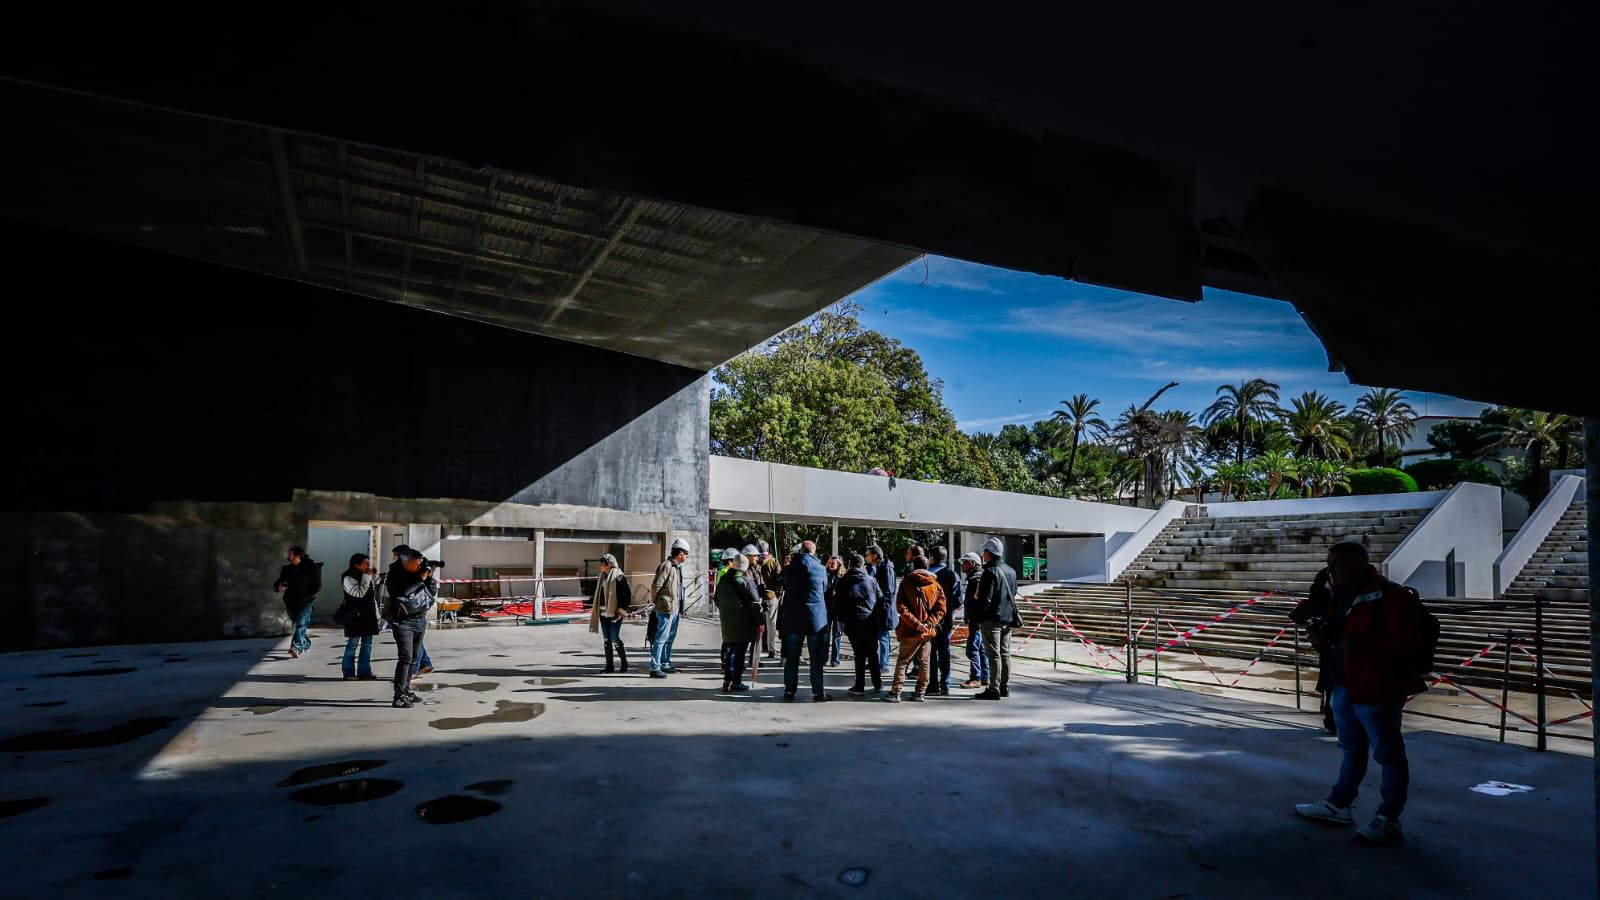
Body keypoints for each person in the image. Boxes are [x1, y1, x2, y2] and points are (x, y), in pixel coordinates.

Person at [1294, 541, 1427, 845]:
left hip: (1377, 688)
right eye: (1329, 565)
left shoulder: (1391, 597)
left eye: (1337, 565)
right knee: (1351, 750)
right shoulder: (1336, 596)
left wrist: (1356, 644)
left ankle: (1389, 819)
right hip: (1344, 684)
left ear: (1358, 565)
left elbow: (1407, 645)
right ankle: (1338, 804)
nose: (1331, 571)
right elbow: (1337, 636)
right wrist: (1320, 638)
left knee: (1389, 755)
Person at [887, 556, 947, 702]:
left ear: (914, 566)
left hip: (909, 630)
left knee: (903, 660)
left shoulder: (907, 582)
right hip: (926, 632)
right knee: (924, 662)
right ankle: (920, 692)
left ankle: (896, 692)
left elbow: (901, 607)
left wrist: (915, 623)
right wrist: (928, 624)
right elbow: (941, 609)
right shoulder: (935, 585)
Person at [1289, 568, 1339, 735]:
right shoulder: (1323, 590)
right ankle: (1333, 721)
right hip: (1332, 655)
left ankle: (1334, 720)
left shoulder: (1345, 595)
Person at [780, 540, 832, 702]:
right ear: (813, 552)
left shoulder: (788, 570)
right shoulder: (821, 569)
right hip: (814, 618)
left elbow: (785, 586)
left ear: (800, 551)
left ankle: (789, 690)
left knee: (792, 657)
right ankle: (818, 692)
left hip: (793, 618)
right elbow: (824, 589)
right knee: (815, 657)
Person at [385, 547, 437, 709]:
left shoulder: (418, 574)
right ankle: (399, 696)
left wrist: (430, 577)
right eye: (417, 563)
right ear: (405, 561)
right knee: (405, 658)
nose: (419, 565)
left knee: (414, 659)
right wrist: (420, 579)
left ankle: (406, 691)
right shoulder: (394, 575)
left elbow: (432, 591)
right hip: (403, 622)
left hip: (419, 620)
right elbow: (404, 592)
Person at [971, 538, 1017, 701]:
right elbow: (1014, 592)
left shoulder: (989, 572)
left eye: (984, 552)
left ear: (989, 553)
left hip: (991, 619)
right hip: (1006, 618)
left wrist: (977, 617)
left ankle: (993, 688)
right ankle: (1004, 686)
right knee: (1005, 653)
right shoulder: (1011, 571)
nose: (982, 555)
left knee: (993, 654)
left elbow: (985, 599)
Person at [714, 550, 763, 692]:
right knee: (739, 653)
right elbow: (755, 604)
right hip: (743, 623)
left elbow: (716, 599)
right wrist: (760, 622)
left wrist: (727, 611)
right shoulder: (745, 582)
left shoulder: (723, 581)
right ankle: (736, 681)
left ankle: (726, 680)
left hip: (727, 621)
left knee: (730, 651)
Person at [834, 554, 884, 696]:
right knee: (873, 653)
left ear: (850, 565)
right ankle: (878, 683)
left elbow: (837, 604)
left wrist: (842, 620)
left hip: (852, 622)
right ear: (863, 565)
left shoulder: (843, 581)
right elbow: (880, 600)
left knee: (859, 654)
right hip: (870, 621)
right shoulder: (872, 580)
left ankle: (859, 685)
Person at [648, 538, 690, 678]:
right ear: (680, 554)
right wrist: (658, 602)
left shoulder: (677, 568)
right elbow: (656, 586)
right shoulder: (666, 566)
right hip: (665, 609)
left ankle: (665, 663)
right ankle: (655, 667)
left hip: (674, 609)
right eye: (686, 553)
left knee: (669, 638)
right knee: (660, 638)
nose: (686, 556)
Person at [273, 546, 322, 659]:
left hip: (306, 602)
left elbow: (317, 586)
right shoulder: (286, 569)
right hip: (290, 602)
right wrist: (278, 587)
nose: (288, 556)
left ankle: (296, 648)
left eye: (290, 554)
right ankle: (306, 643)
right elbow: (278, 582)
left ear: (297, 556)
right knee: (297, 625)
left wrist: (307, 596)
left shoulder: (311, 568)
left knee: (301, 624)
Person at [337, 553, 381, 681]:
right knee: (352, 645)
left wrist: (377, 615)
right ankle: (348, 672)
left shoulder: (365, 576)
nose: (368, 566)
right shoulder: (348, 578)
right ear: (356, 564)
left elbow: (371, 598)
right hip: (354, 617)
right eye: (365, 563)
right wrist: (367, 577)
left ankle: (365, 671)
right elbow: (359, 593)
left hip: (368, 616)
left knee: (367, 645)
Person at [587, 553, 632, 674]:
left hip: (614, 613)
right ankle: (609, 666)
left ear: (610, 565)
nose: (601, 566)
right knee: (606, 639)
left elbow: (626, 594)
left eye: (603, 563)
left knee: (614, 637)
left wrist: (621, 610)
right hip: (602, 612)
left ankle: (624, 663)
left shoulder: (619, 576)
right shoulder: (602, 576)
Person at [926, 547, 959, 696]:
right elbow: (959, 600)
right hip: (946, 619)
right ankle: (945, 684)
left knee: (931, 652)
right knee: (944, 651)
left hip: (931, 618)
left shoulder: (928, 575)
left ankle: (933, 683)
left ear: (932, 557)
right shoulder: (953, 575)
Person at [957, 553, 989, 690]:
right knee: (981, 649)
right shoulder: (974, 578)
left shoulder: (976, 579)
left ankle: (976, 677)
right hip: (977, 620)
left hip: (977, 621)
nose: (962, 565)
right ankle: (985, 677)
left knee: (972, 648)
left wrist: (972, 616)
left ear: (972, 564)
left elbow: (976, 601)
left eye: (965, 562)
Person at [864, 544, 898, 672]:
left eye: (868, 555)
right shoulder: (879, 567)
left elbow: (888, 591)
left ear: (875, 556)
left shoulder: (886, 569)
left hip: (883, 609)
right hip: (879, 608)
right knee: (878, 635)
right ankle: (877, 661)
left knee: (883, 636)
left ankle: (883, 663)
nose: (866, 557)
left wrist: (879, 600)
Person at [758, 541, 784, 659]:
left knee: (760, 622)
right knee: (771, 623)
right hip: (771, 595)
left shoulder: (755, 562)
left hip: (758, 596)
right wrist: (778, 593)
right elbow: (779, 578)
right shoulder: (773, 562)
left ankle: (759, 647)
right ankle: (771, 648)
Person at [823, 554, 844, 666]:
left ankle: (835, 659)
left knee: (836, 635)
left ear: (838, 565)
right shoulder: (824, 575)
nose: (831, 565)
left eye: (833, 563)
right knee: (825, 634)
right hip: (826, 608)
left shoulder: (842, 578)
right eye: (830, 563)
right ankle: (824, 657)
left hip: (837, 610)